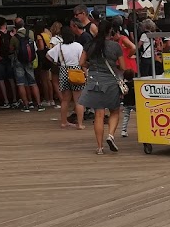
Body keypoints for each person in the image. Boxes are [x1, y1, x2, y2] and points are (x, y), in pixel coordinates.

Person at [78, 19, 128, 154]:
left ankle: (100, 147)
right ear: (110, 31)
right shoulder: (115, 46)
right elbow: (123, 67)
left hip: (94, 81)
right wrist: (114, 66)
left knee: (99, 114)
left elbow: (81, 62)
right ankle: (110, 135)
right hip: (110, 81)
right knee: (115, 111)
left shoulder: (89, 44)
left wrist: (91, 65)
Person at [48, 27, 85, 129]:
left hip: (64, 71)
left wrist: (57, 62)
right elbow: (82, 60)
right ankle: (80, 124)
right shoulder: (78, 46)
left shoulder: (59, 46)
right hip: (76, 71)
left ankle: (64, 122)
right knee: (78, 100)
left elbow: (48, 55)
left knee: (65, 100)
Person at [14, 26, 44, 111]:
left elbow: (11, 49)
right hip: (29, 60)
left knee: (21, 83)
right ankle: (39, 104)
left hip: (18, 61)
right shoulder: (30, 33)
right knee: (33, 82)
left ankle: (26, 105)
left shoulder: (14, 37)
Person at [0, 18, 16, 108]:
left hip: (1, 59)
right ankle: (15, 100)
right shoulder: (11, 33)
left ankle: (6, 101)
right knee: (11, 79)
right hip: (10, 58)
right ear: (5, 24)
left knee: (1, 80)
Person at [35, 21, 55, 107]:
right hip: (49, 58)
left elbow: (41, 48)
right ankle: (51, 99)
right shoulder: (48, 35)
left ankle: (47, 99)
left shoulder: (39, 36)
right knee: (48, 80)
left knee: (44, 80)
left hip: (43, 59)